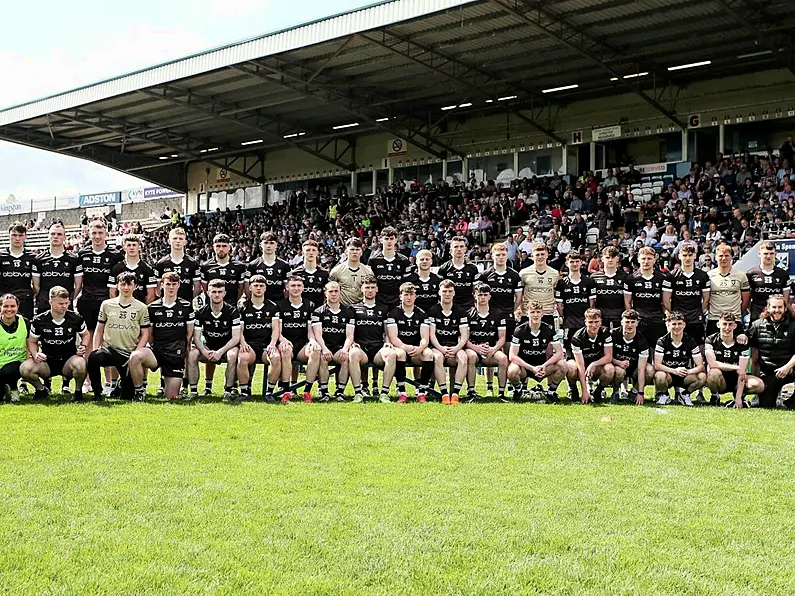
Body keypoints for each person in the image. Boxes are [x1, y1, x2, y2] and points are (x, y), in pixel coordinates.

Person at [127, 272, 195, 401]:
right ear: (162, 285)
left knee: (171, 397)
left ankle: (169, 383)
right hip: (157, 353)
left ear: (179, 285)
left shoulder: (187, 307)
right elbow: (149, 334)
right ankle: (139, 391)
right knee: (135, 357)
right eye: (168, 284)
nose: (171, 287)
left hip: (175, 355)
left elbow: (188, 334)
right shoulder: (152, 307)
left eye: (174, 284)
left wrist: (183, 350)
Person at [86, 271, 151, 402]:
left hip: (128, 354)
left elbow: (145, 334)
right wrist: (96, 348)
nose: (126, 288)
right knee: (93, 358)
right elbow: (99, 330)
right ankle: (98, 394)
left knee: (127, 396)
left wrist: (136, 354)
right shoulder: (106, 304)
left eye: (129, 284)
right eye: (123, 284)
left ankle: (122, 386)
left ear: (135, 286)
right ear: (117, 286)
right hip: (109, 349)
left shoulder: (142, 308)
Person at [75, 218, 121, 395]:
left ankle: (109, 383)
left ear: (106, 234)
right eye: (94, 233)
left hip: (107, 303)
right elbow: (78, 282)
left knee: (106, 344)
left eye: (100, 233)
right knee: (88, 343)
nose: (97, 236)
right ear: (88, 233)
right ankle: (87, 381)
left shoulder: (115, 254)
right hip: (87, 302)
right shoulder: (82, 254)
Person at [21, 286, 89, 401]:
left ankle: (78, 392)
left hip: (68, 361)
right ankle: (41, 390)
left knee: (81, 364)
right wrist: (35, 353)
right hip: (47, 361)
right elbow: (32, 341)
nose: (64, 306)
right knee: (25, 368)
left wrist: (83, 346)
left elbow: (86, 334)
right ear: (51, 302)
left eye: (66, 303)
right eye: (60, 303)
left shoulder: (75, 318)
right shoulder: (39, 320)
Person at [199, 234, 246, 394]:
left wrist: (231, 305)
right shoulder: (206, 266)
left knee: (233, 350)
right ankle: (208, 386)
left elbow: (240, 290)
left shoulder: (239, 266)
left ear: (229, 247)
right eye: (218, 246)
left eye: (224, 246)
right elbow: (205, 290)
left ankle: (231, 387)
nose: (221, 249)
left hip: (231, 312)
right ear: (213, 247)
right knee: (211, 344)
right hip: (211, 311)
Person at [187, 279, 241, 401]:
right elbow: (196, 337)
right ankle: (194, 391)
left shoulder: (232, 311)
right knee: (192, 354)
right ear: (208, 293)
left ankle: (228, 390)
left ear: (224, 293)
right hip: (208, 348)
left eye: (220, 292)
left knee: (233, 355)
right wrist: (205, 351)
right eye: (214, 291)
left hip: (226, 347)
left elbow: (236, 338)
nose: (217, 295)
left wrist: (220, 352)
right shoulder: (200, 312)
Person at [234, 274, 282, 403]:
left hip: (267, 344)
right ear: (250, 287)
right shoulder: (243, 306)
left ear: (265, 288)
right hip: (250, 344)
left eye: (261, 286)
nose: (259, 288)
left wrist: (272, 344)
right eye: (256, 286)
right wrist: (242, 342)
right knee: (242, 358)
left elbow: (275, 328)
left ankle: (269, 392)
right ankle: (244, 392)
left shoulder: (272, 306)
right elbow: (240, 329)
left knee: (276, 358)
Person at [507, 300, 566, 402]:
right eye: (533, 312)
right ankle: (519, 391)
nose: (535, 315)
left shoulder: (548, 329)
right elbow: (512, 356)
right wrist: (531, 368)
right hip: (525, 368)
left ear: (542, 314)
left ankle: (551, 392)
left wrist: (544, 366)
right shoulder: (519, 330)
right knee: (512, 370)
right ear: (527, 313)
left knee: (563, 365)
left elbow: (560, 353)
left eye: (538, 312)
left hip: (542, 367)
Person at [348, 276, 396, 403]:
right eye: (367, 287)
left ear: (377, 290)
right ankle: (358, 393)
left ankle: (384, 393)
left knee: (391, 354)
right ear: (362, 289)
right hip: (361, 348)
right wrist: (352, 342)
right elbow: (350, 331)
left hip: (377, 348)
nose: (370, 290)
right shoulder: (353, 308)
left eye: (372, 288)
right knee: (353, 354)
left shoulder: (384, 308)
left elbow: (386, 330)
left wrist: (387, 342)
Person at [386, 282, 434, 403]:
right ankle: (402, 391)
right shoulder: (393, 313)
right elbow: (393, 337)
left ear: (415, 296)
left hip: (416, 349)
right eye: (406, 294)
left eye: (411, 294)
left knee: (428, 354)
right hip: (401, 347)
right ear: (400, 296)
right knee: (400, 353)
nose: (409, 297)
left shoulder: (422, 314)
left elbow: (425, 338)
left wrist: (420, 347)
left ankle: (422, 391)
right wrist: (405, 347)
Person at [310, 280, 357, 402]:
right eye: (331, 291)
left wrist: (345, 349)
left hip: (339, 347)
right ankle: (324, 391)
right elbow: (318, 334)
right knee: (323, 358)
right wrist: (324, 349)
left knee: (345, 358)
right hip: (324, 346)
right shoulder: (318, 311)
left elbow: (350, 335)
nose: (334, 294)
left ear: (340, 293)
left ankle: (340, 392)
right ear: (325, 293)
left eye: (336, 291)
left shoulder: (348, 312)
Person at [705, 312, 763, 408]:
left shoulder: (741, 343)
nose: (727, 328)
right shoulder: (710, 340)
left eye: (730, 324)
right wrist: (735, 367)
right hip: (720, 380)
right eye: (724, 324)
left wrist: (738, 398)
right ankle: (715, 396)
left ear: (735, 326)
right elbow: (712, 363)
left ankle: (739, 395)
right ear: (718, 324)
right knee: (713, 373)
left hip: (736, 379)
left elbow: (741, 372)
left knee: (759, 385)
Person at [746, 295, 795, 409]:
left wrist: (787, 367)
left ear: (785, 308)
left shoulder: (793, 324)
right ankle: (765, 395)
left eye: (780, 307)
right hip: (769, 371)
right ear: (768, 308)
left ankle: (791, 401)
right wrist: (756, 377)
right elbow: (754, 357)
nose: (777, 310)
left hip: (789, 368)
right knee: (766, 404)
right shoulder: (757, 325)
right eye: (774, 307)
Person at [427, 279, 470, 404]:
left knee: (463, 356)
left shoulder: (460, 311)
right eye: (444, 291)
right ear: (439, 293)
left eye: (450, 291)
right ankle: (444, 394)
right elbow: (431, 335)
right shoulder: (433, 310)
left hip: (454, 347)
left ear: (454, 293)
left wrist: (457, 348)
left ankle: (455, 393)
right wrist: (441, 348)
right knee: (437, 357)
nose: (447, 294)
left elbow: (464, 336)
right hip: (437, 346)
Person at [464, 283, 508, 402]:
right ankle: (471, 392)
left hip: (491, 350)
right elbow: (464, 339)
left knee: (503, 359)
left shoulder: (498, 314)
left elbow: (502, 338)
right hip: (473, 348)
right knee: (471, 357)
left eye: (485, 295)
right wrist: (475, 347)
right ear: (474, 296)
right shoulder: (468, 314)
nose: (482, 297)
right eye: (480, 295)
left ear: (489, 296)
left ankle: (501, 394)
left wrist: (494, 349)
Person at [652, 311, 706, 406]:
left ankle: (685, 395)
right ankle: (665, 395)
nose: (677, 327)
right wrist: (674, 371)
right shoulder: (662, 341)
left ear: (684, 325)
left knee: (702, 377)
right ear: (668, 325)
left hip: (684, 375)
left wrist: (689, 372)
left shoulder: (690, 341)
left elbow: (700, 366)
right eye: (674, 324)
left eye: (679, 324)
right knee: (659, 375)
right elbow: (657, 365)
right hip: (668, 374)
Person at [276, 275, 315, 403]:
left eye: (299, 285)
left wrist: (312, 341)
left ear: (303, 288)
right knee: (286, 351)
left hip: (303, 344)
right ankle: (286, 391)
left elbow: (310, 329)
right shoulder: (280, 305)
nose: (296, 288)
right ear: (287, 287)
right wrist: (282, 339)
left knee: (315, 351)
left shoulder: (310, 305)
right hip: (287, 342)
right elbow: (277, 329)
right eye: (293, 285)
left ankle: (307, 391)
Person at [663, 244, 710, 347]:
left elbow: (706, 300)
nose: (687, 258)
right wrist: (675, 315)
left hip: (696, 319)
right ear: (679, 256)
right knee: (678, 349)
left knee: (700, 350)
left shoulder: (703, 276)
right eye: (684, 255)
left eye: (690, 255)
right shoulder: (671, 276)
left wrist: (697, 312)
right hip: (678, 320)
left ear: (695, 256)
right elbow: (666, 301)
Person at [32, 223, 82, 314]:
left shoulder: (74, 259)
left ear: (64, 237)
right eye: (52, 234)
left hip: (65, 307)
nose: (55, 237)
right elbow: (36, 287)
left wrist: (68, 299)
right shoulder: (38, 259)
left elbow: (78, 286)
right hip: (44, 306)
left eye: (59, 234)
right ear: (48, 236)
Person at [567, 308, 614, 403]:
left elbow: (608, 357)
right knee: (571, 368)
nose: (594, 325)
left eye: (596, 321)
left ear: (600, 321)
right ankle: (574, 390)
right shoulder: (577, 337)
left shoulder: (605, 333)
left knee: (610, 369)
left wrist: (594, 364)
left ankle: (598, 392)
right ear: (585, 322)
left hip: (596, 365)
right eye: (590, 322)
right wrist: (584, 391)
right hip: (579, 365)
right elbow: (580, 366)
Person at [624, 246, 668, 348]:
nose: (646, 261)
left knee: (659, 354)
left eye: (649, 258)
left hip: (658, 321)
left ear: (654, 259)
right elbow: (627, 303)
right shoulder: (631, 279)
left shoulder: (662, 278)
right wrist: (633, 319)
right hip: (640, 321)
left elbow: (665, 302)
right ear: (639, 259)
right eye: (643, 258)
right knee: (641, 355)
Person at [555, 251, 596, 356]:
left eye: (577, 261)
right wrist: (564, 317)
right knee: (568, 347)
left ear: (581, 262)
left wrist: (588, 317)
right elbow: (559, 305)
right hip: (569, 321)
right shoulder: (562, 283)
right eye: (571, 261)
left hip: (584, 321)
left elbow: (592, 303)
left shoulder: (589, 281)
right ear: (567, 263)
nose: (574, 264)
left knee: (586, 347)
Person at [706, 243, 750, 336]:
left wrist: (736, 313)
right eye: (721, 256)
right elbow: (706, 299)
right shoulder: (708, 275)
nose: (723, 258)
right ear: (716, 257)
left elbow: (746, 300)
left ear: (731, 257)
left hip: (734, 320)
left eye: (727, 256)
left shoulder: (741, 275)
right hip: (714, 319)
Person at [610, 309, 652, 405]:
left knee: (650, 370)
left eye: (633, 322)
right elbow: (606, 356)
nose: (629, 325)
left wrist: (640, 392)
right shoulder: (612, 334)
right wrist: (618, 362)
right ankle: (615, 392)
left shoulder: (642, 341)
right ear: (621, 322)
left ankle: (633, 392)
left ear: (637, 323)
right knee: (619, 371)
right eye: (627, 322)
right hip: (618, 366)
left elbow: (641, 369)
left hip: (634, 369)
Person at [367, 226, 412, 312]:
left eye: (391, 238)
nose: (389, 241)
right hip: (379, 301)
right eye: (386, 238)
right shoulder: (373, 260)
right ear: (381, 240)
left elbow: (407, 283)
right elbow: (371, 282)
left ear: (396, 240)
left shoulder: (404, 260)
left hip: (398, 301)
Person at [154, 227, 202, 303]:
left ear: (185, 242)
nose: (178, 241)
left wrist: (191, 302)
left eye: (181, 239)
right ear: (169, 241)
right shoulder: (161, 264)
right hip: (166, 306)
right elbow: (158, 287)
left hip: (186, 305)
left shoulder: (193, 263)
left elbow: (197, 287)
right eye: (175, 238)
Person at [746, 241, 790, 322]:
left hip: (776, 316)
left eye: (771, 253)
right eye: (765, 253)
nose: (768, 256)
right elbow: (747, 299)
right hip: (757, 315)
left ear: (775, 254)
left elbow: (785, 299)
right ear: (759, 254)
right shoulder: (751, 274)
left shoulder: (783, 274)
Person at [0, 222, 35, 321]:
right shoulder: (1, 256)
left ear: (25, 237)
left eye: (20, 235)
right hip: (5, 303)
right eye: (14, 235)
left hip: (25, 302)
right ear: (9, 236)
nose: (17, 238)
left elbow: (36, 284)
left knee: (26, 331)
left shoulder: (32, 257)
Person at [520, 242, 560, 329]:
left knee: (549, 341)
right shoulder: (524, 273)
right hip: (528, 313)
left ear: (547, 255)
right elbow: (519, 294)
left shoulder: (555, 273)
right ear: (532, 256)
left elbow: (556, 293)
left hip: (547, 313)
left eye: (542, 254)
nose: (540, 257)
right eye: (537, 254)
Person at [109, 234, 157, 304]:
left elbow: (151, 295)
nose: (131, 248)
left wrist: (142, 309)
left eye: (134, 245)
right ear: (124, 247)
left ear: (139, 247)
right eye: (129, 245)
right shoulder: (116, 268)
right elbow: (112, 293)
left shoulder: (147, 269)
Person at [245, 232, 292, 304]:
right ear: (261, 244)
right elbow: (247, 287)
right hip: (259, 304)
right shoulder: (252, 265)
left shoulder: (285, 265)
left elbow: (288, 289)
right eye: (266, 243)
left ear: (276, 245)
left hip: (278, 304)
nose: (268, 246)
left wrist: (283, 303)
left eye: (271, 243)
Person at [0, 294, 30, 402]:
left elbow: (30, 344)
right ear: (0, 307)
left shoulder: (25, 322)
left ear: (17, 307)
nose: (9, 309)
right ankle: (4, 390)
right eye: (5, 306)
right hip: (0, 365)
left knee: (11, 370)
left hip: (19, 364)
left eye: (12, 306)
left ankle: (13, 389)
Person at [437, 235, 479, 310]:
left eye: (461, 246)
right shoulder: (444, 268)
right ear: (450, 250)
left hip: (468, 307)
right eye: (456, 247)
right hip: (451, 307)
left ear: (465, 249)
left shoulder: (473, 268)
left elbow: (475, 289)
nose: (459, 249)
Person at [591, 246, 627, 331]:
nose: (610, 260)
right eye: (607, 257)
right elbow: (592, 301)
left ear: (617, 259)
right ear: (602, 258)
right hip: (601, 317)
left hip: (619, 316)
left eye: (613, 257)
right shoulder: (594, 277)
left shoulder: (625, 277)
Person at [330, 237, 374, 306]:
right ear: (346, 251)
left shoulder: (368, 271)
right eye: (352, 249)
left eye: (357, 249)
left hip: (361, 309)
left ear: (361, 252)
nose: (355, 252)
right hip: (342, 309)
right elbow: (329, 291)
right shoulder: (336, 270)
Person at [288, 239, 329, 310]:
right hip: (300, 311)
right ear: (303, 252)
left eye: (313, 250)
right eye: (308, 250)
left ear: (317, 253)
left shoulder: (324, 273)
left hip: (318, 312)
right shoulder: (295, 273)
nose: (311, 252)